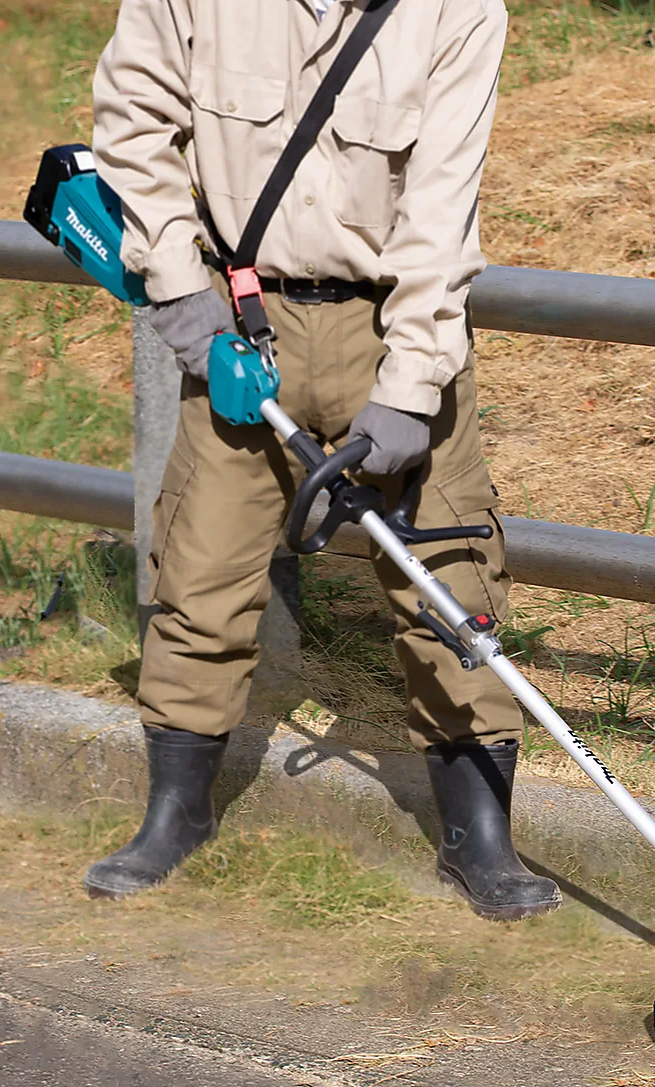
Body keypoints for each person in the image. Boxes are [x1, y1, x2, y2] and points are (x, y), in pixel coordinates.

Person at [81, 0, 561, 922]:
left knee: (450, 582)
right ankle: (176, 812)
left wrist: (414, 385)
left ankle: (479, 839)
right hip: (239, 326)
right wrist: (180, 289)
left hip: (392, 324)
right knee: (199, 569)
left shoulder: (456, 13)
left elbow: (442, 208)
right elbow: (132, 121)